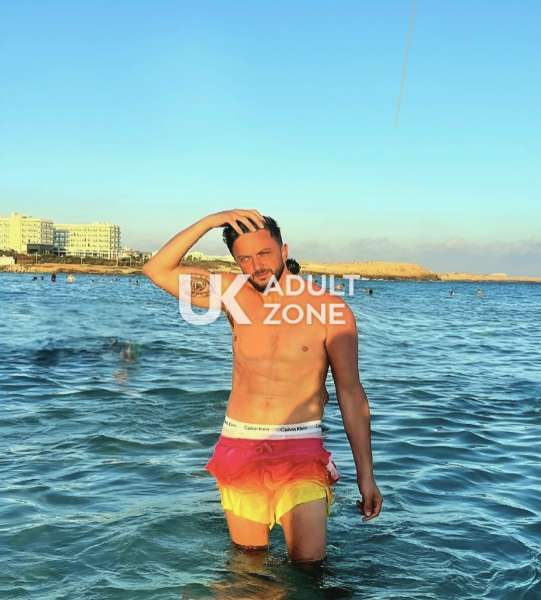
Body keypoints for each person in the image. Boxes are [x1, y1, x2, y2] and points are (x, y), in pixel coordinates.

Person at [142, 209, 382, 563]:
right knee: (248, 568)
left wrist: (367, 476)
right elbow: (156, 269)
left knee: (310, 568)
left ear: (284, 251)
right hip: (240, 446)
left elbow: (351, 394)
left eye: (265, 254)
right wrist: (212, 221)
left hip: (301, 449)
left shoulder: (329, 309)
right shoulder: (232, 294)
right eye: (245, 259)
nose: (256, 266)